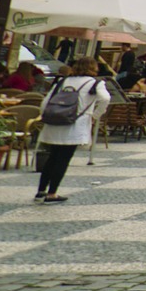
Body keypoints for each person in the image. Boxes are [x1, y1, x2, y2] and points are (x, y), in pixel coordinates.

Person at [36, 57, 110, 203]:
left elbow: (45, 102)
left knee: (52, 157)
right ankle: (52, 193)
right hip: (75, 125)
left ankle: (41, 190)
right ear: (94, 68)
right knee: (63, 159)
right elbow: (105, 99)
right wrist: (95, 115)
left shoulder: (62, 81)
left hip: (54, 123)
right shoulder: (95, 83)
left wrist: (48, 116)